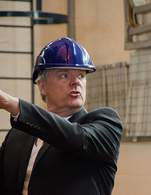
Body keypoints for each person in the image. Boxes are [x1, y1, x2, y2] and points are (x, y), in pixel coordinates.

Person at [0, 37, 123, 195]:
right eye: (64, 75)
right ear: (42, 86)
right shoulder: (17, 135)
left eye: (81, 76)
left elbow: (74, 138)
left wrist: (13, 105)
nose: (75, 82)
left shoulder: (105, 123)